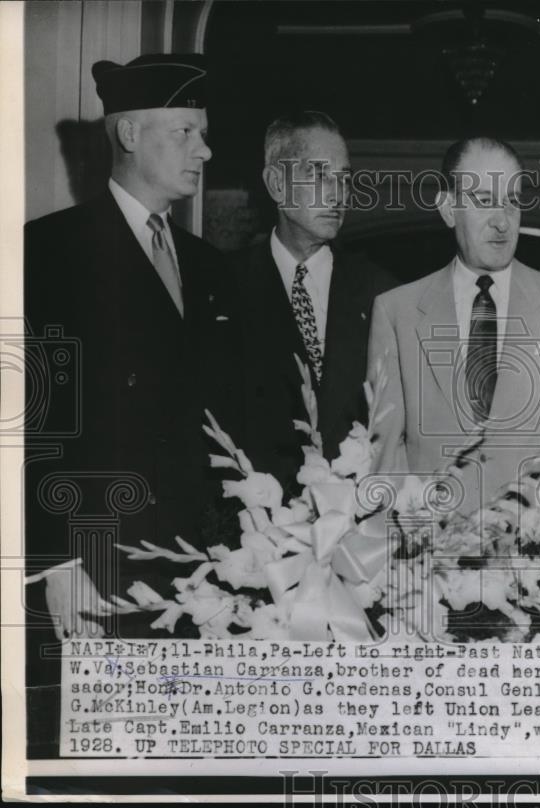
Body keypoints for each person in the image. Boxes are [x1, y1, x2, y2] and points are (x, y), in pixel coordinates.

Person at [23, 54, 241, 753]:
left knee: (191, 765)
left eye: (203, 134)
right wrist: (52, 561)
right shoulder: (47, 251)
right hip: (99, 566)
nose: (205, 151)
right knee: (108, 764)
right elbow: (32, 422)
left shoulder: (209, 267)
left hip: (201, 574)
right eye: (186, 132)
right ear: (128, 136)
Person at [367, 137, 540, 515]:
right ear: (448, 208)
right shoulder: (397, 312)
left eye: (512, 200)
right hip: (431, 558)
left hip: (536, 559)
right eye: (483, 200)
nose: (502, 219)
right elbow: (385, 463)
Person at [232, 111, 395, 489]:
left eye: (344, 178)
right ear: (276, 184)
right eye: (319, 175)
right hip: (252, 532)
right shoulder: (222, 287)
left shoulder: (382, 293)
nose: (338, 194)